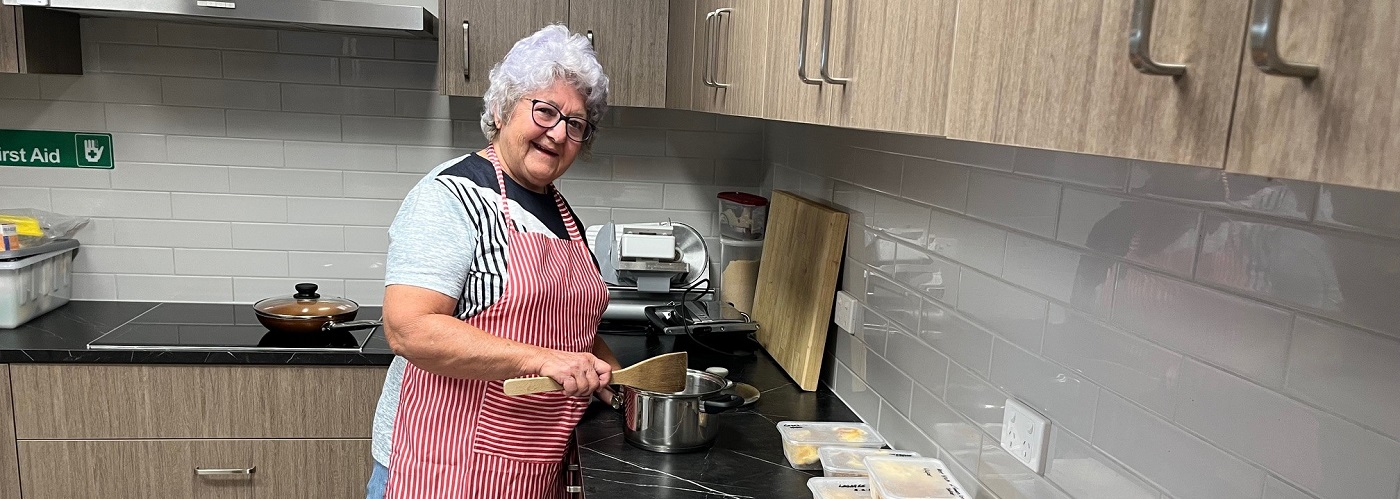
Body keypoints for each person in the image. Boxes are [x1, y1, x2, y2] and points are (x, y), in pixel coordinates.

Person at [365, 24, 618, 499]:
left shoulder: (563, 214)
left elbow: (561, 322)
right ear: (502, 109)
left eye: (576, 123)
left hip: (532, 467)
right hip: (444, 465)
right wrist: (544, 360)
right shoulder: (450, 197)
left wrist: (613, 378)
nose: (558, 133)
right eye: (544, 110)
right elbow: (409, 328)